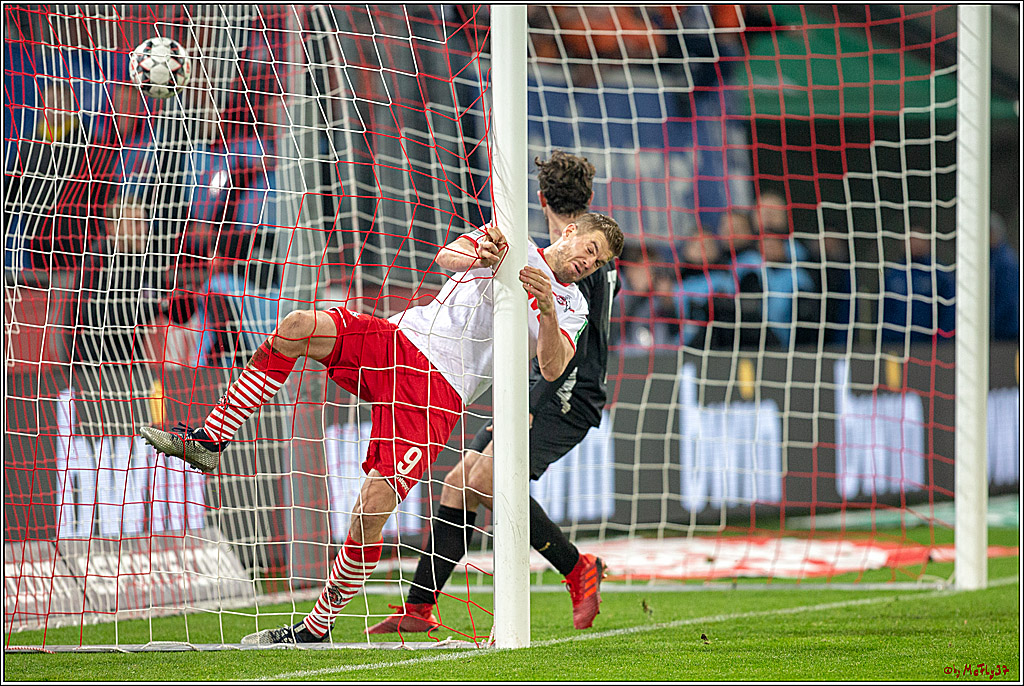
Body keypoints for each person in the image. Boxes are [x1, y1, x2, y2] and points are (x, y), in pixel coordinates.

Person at [141, 206, 624, 644]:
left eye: (598, 261)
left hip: (438, 392)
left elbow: (554, 367)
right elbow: (447, 257)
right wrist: (480, 254)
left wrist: (545, 307)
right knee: (296, 326)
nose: (589, 262)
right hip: (398, 339)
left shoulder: (573, 305)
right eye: (590, 248)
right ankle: (211, 439)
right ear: (569, 231)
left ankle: (317, 627)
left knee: (370, 508)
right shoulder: (509, 237)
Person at [365, 151, 620, 635]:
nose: (589, 260)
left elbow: (569, 352)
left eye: (595, 257)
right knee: (459, 482)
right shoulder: (573, 256)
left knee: (485, 479)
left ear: (540, 199)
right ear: (585, 202)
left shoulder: (580, 268)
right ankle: (419, 609)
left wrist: (531, 405)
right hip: (536, 387)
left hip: (564, 395)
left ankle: (576, 567)